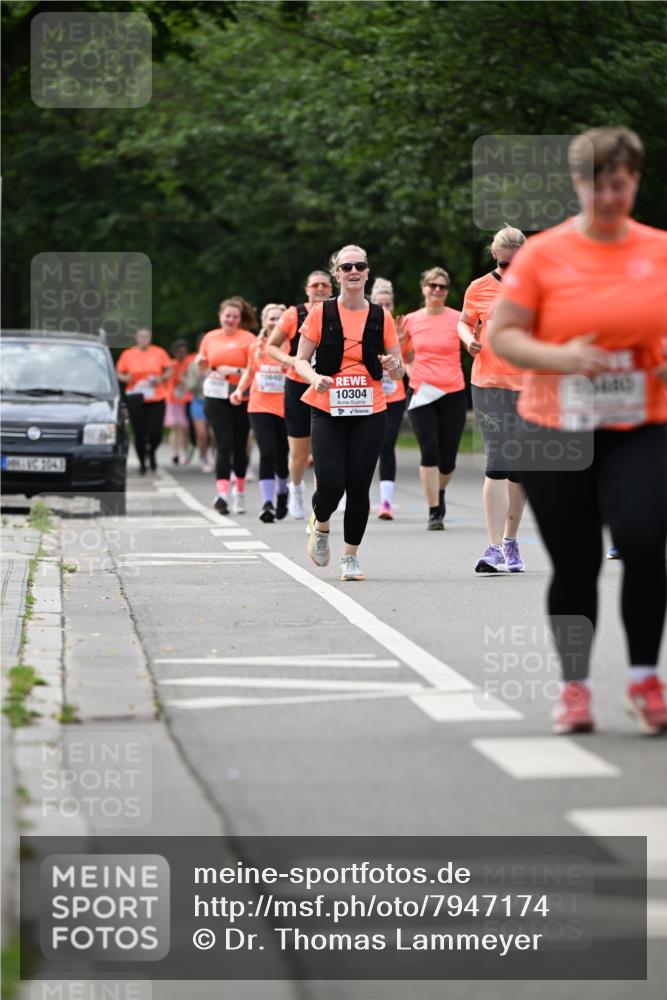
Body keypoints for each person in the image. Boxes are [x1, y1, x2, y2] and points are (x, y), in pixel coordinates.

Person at [490, 126, 667, 735]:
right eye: (596, 185)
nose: (608, 198)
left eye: (619, 185)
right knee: (575, 563)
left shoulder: (659, 250)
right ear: (577, 183)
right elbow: (502, 334)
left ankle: (645, 680)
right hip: (553, 426)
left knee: (644, 542)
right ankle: (576, 688)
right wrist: (562, 358)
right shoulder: (543, 254)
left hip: (642, 422)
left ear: (635, 182)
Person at [295, 244, 404, 581]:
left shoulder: (380, 316)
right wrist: (315, 377)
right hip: (327, 407)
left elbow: (399, 371)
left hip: (369, 409)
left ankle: (350, 557)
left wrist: (393, 365)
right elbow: (300, 360)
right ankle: (321, 524)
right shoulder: (321, 313)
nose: (353, 272)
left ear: (367, 272)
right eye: (346, 267)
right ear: (337, 274)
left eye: (360, 266)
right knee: (330, 483)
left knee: (358, 485)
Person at [458, 226, 528, 572]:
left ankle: (511, 542)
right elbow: (464, 322)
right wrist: (466, 340)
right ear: (494, 257)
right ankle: (493, 548)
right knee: (497, 460)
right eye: (504, 264)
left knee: (520, 468)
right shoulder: (479, 287)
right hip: (488, 383)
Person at [403, 268, 467, 530]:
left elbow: (473, 344)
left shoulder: (458, 318)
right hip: (422, 393)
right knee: (429, 450)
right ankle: (433, 511)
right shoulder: (410, 320)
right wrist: (412, 373)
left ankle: (438, 491)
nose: (437, 290)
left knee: (448, 459)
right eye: (432, 285)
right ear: (424, 288)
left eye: (442, 287)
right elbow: (403, 355)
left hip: (453, 392)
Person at [266, 270, 333, 518]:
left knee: (329, 446)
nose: (320, 289)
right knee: (299, 451)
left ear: (331, 288)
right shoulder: (294, 314)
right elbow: (271, 346)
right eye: (315, 285)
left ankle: (327, 495)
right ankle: (295, 489)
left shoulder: (337, 311)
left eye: (325, 285)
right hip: (298, 384)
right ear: (307, 289)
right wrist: (291, 360)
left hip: (330, 384)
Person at [231, 303, 289, 522]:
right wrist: (239, 390)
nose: (275, 322)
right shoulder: (256, 346)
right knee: (267, 452)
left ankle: (283, 493)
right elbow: (249, 372)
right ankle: (267, 503)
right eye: (271, 318)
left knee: (283, 456)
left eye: (279, 319)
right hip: (259, 405)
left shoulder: (292, 345)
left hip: (286, 407)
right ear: (264, 321)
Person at [198, 299, 256, 515]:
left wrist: (232, 369)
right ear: (220, 316)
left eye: (235, 316)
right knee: (224, 443)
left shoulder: (249, 339)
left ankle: (239, 492)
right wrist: (203, 366)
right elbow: (204, 366)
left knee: (240, 444)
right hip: (215, 393)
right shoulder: (210, 337)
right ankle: (222, 494)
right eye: (227, 316)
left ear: (240, 319)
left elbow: (254, 369)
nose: (230, 320)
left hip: (241, 394)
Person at [369, 277, 413, 520]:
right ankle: (361, 497)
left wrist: (401, 344)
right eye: (380, 304)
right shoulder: (366, 324)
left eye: (389, 304)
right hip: (367, 396)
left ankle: (386, 502)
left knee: (387, 446)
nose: (385, 309)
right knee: (365, 448)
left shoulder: (401, 330)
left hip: (393, 396)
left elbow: (408, 363)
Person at [116, 328, 172, 474]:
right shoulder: (128, 354)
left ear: (150, 338)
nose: (144, 339)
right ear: (136, 338)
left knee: (156, 432)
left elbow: (168, 369)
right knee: (139, 432)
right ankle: (142, 463)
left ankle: (152, 452)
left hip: (156, 397)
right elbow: (119, 372)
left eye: (146, 337)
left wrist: (161, 378)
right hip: (136, 398)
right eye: (141, 337)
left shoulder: (159, 352)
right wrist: (125, 378)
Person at [185, 332, 214, 472]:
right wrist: (199, 377)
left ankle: (215, 454)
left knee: (213, 434)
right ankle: (204, 458)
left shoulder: (216, 359)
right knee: (201, 434)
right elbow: (189, 387)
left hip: (214, 399)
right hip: (198, 401)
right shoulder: (193, 365)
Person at [164, 339, 193, 465]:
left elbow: (191, 382)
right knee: (175, 427)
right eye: (179, 351)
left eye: (183, 351)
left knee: (184, 428)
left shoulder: (189, 364)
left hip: (186, 399)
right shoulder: (171, 365)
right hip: (173, 399)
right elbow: (165, 379)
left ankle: (185, 452)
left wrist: (184, 379)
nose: (181, 354)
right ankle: (175, 453)